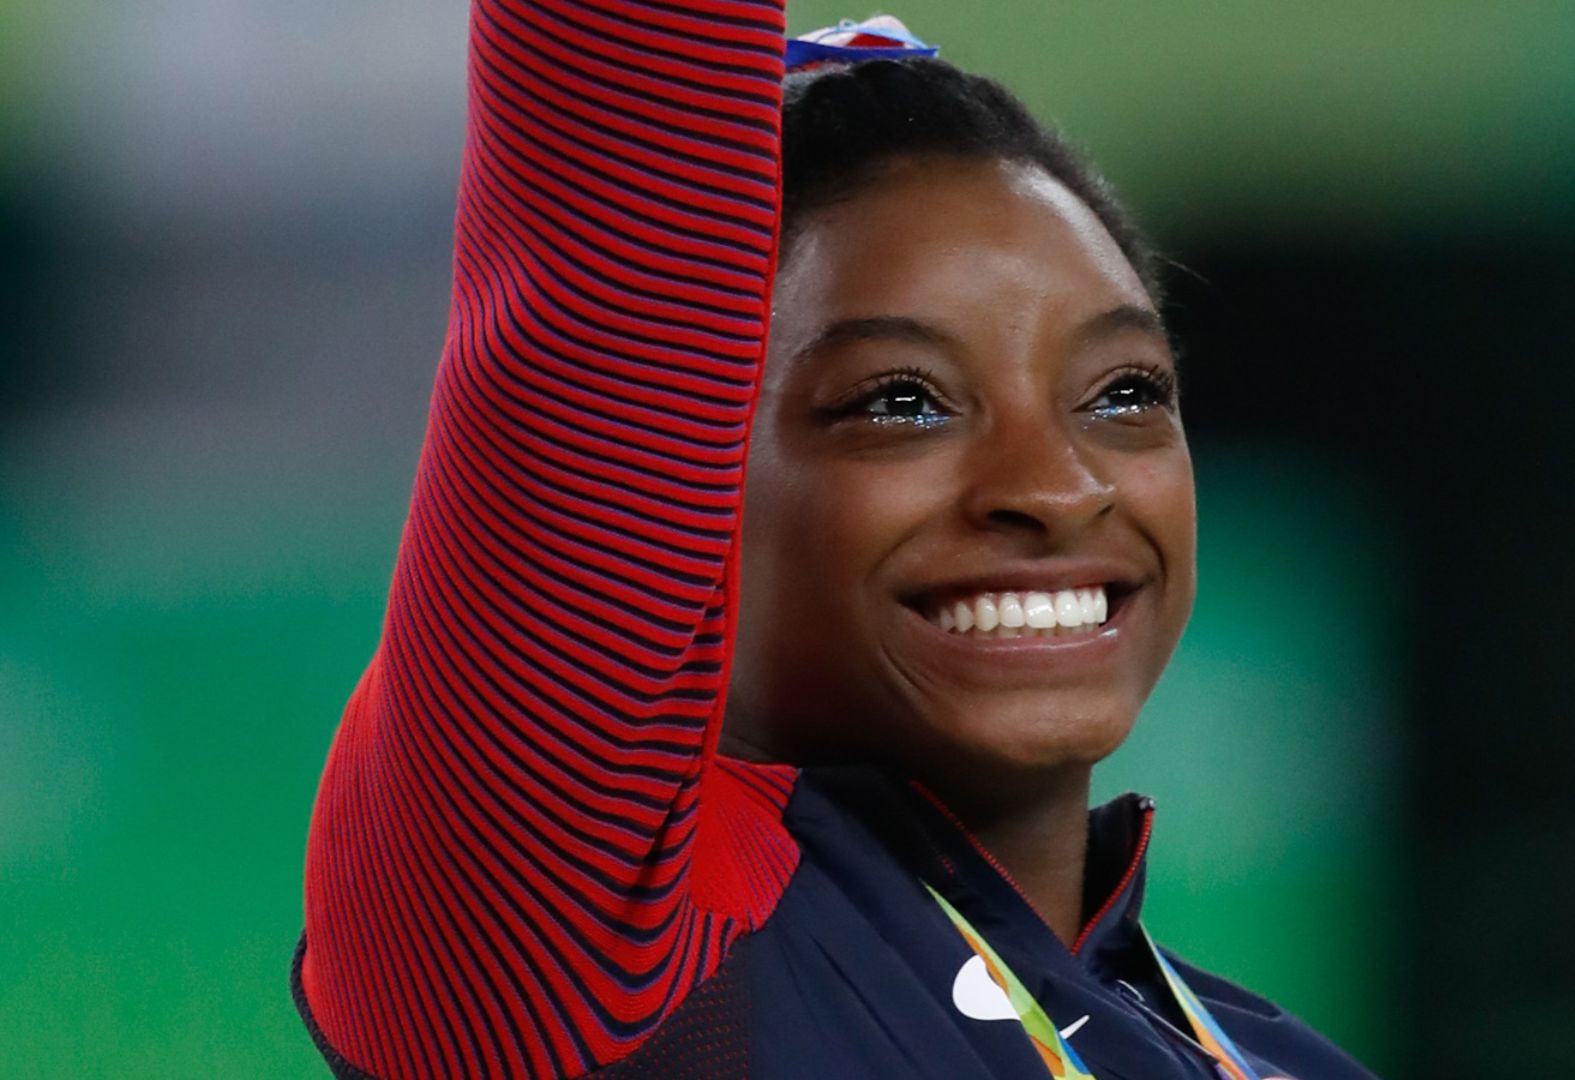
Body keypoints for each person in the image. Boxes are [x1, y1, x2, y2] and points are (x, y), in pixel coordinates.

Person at [294, 4, 1377, 1078]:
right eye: (901, 403)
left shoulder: (1286, 1062)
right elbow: (611, 276)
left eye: (1123, 391)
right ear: (685, 482)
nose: (1058, 488)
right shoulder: (585, 960)